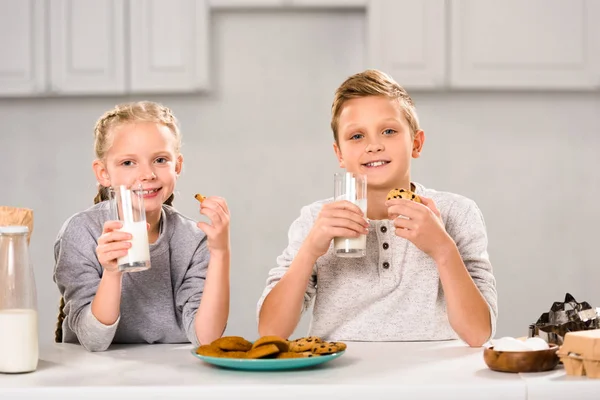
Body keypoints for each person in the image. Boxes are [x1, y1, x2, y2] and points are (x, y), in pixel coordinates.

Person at [257, 70, 497, 347]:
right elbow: (271, 332)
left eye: (389, 131)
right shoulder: (316, 220)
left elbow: (478, 333)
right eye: (357, 136)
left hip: (434, 377)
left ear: (416, 143)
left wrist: (443, 249)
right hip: (341, 378)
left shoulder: (458, 212)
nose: (373, 145)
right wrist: (310, 249)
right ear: (339, 155)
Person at [54, 101, 230, 352]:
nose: (147, 174)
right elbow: (93, 341)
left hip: (174, 378)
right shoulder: (81, 232)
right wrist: (112, 273)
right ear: (104, 173)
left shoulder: (193, 239)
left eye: (160, 160)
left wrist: (221, 252)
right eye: (128, 163)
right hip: (94, 379)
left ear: (177, 166)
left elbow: (208, 340)